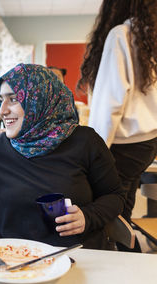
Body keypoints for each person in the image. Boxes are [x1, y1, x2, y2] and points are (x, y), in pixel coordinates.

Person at [0, 64, 126, 249]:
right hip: (15, 258)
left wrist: (88, 217)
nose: (2, 111)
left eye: (13, 99)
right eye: (1, 100)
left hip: (77, 254)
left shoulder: (85, 141)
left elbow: (115, 195)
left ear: (38, 100)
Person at [78, 0, 157, 250]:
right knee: (125, 203)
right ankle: (127, 255)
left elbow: (110, 104)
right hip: (147, 142)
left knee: (108, 211)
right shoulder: (150, 37)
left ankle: (119, 259)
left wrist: (93, 152)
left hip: (122, 144)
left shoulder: (122, 34)